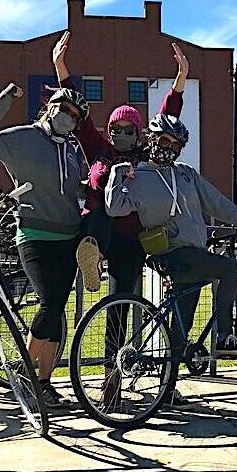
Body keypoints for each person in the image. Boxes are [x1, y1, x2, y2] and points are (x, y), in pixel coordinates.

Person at [105, 114, 237, 406]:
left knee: (181, 326)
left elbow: (218, 204)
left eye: (176, 143)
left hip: (194, 255)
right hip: (172, 253)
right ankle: (224, 337)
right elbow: (115, 208)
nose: (168, 147)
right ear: (151, 140)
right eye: (164, 140)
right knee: (230, 268)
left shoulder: (186, 174)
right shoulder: (138, 175)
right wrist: (117, 176)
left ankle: (167, 391)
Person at [0, 81, 87, 409]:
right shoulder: (23, 138)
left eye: (74, 115)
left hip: (70, 237)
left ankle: (44, 384)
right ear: (49, 107)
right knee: (51, 302)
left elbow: (74, 189)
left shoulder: (73, 148)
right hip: (35, 235)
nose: (67, 117)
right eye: (63, 109)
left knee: (55, 314)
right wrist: (4, 101)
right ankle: (22, 374)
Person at [50, 31, 189, 295]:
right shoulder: (99, 148)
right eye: (116, 129)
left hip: (130, 237)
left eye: (129, 130)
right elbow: (79, 113)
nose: (122, 135)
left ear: (139, 134)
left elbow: (166, 119)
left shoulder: (145, 154)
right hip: (97, 228)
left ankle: (116, 336)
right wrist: (60, 68)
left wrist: (180, 78)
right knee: (101, 210)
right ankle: (92, 253)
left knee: (121, 299)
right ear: (109, 131)